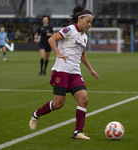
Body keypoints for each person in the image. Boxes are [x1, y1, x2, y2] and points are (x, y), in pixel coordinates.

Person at [29, 5, 100, 140]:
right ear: (80, 19)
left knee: (84, 100)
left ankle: (78, 132)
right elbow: (52, 39)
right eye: (88, 21)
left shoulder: (84, 37)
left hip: (75, 73)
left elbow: (82, 55)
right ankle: (36, 114)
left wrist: (91, 69)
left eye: (91, 22)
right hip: (62, 71)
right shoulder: (69, 29)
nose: (89, 24)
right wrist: (58, 53)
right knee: (58, 104)